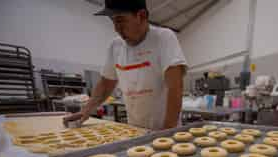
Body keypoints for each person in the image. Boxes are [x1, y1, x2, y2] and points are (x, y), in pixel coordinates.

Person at [64, 0, 187, 130]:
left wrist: (166, 132)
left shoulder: (163, 38)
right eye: (113, 21)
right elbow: (106, 84)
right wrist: (86, 110)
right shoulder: (116, 46)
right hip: (135, 130)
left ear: (141, 15)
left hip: (165, 129)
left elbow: (175, 87)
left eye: (120, 20)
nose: (116, 28)